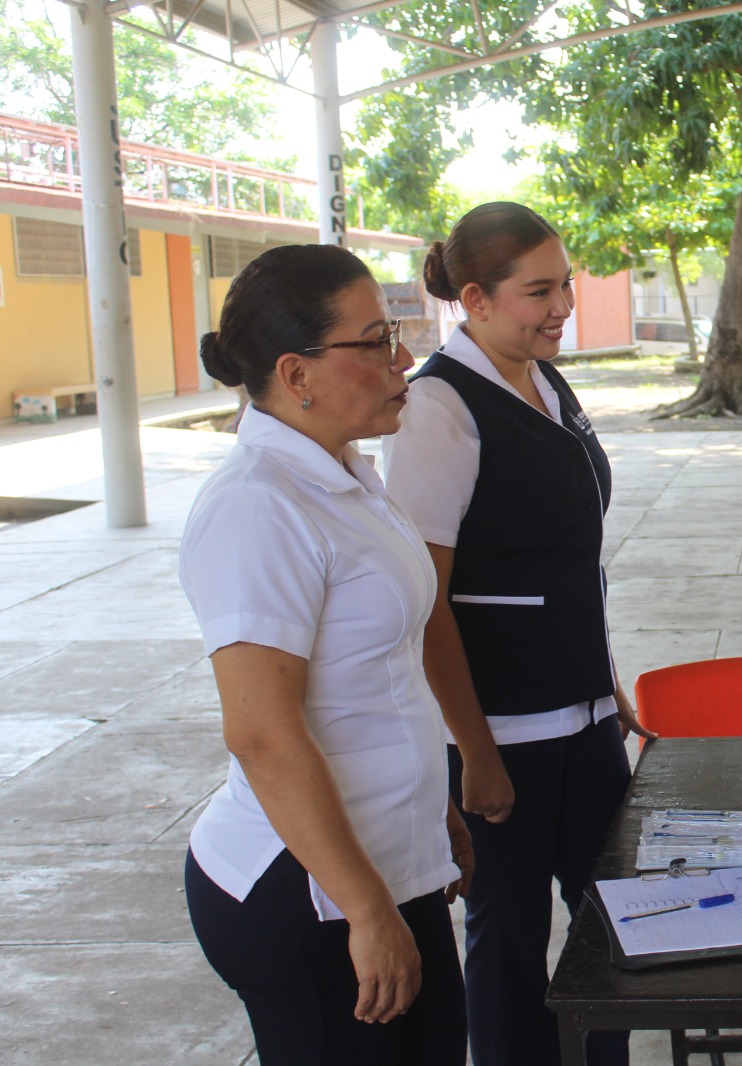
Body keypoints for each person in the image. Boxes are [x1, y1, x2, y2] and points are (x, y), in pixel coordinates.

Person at [178, 244, 471, 1065]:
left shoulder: (345, 474)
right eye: (375, 342)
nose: (403, 359)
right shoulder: (256, 509)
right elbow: (263, 734)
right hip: (308, 891)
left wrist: (431, 808)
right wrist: (369, 913)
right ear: (295, 374)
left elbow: (378, 677)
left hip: (385, 864)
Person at [383, 201, 651, 1066]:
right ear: (475, 298)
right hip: (500, 734)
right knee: (507, 941)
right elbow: (426, 602)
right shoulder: (441, 405)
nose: (562, 305)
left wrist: (602, 680)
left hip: (581, 720)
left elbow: (571, 556)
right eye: (539, 290)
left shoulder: (543, 379)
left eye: (566, 284)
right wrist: (476, 752)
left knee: (611, 921)